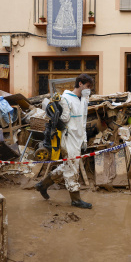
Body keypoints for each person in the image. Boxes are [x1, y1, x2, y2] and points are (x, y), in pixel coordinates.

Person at [35, 74, 94, 209]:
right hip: (68, 137)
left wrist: (84, 139)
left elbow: (83, 120)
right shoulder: (66, 98)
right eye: (88, 86)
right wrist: (59, 106)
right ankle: (75, 199)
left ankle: (42, 185)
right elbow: (65, 119)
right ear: (80, 84)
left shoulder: (84, 99)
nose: (89, 90)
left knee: (68, 165)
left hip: (78, 138)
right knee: (72, 167)